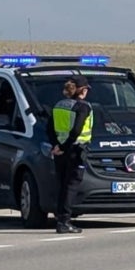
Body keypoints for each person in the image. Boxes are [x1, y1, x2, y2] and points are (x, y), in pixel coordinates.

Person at [49, 75, 93, 233]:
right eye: (87, 89)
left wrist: (56, 146)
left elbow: (50, 128)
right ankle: (64, 221)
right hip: (75, 150)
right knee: (71, 185)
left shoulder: (59, 105)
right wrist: (65, 146)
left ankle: (60, 218)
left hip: (59, 151)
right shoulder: (83, 107)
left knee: (62, 184)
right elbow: (76, 130)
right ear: (82, 91)